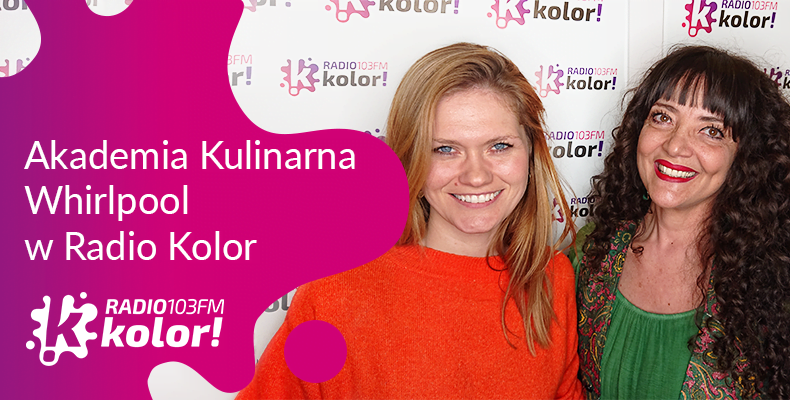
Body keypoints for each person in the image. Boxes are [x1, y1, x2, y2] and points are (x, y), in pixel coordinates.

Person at [236, 42, 582, 399]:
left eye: (499, 146)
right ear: (410, 158)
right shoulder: (336, 291)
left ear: (531, 151)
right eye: (445, 149)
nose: (476, 176)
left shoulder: (553, 278)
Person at [574, 45, 790, 399]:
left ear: (747, 155)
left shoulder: (774, 279)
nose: (675, 146)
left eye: (712, 131)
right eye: (663, 117)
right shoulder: (592, 251)